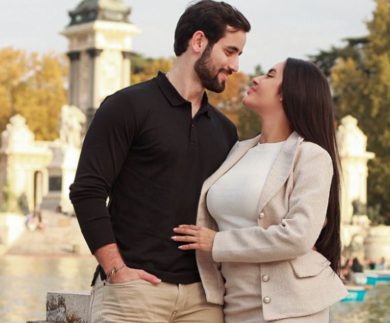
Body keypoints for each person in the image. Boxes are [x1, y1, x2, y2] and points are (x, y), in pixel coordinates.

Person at [69, 1, 250, 322]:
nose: (235, 65)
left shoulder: (225, 130)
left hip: (204, 301)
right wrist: (116, 270)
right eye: (230, 51)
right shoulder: (125, 106)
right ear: (198, 42)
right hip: (134, 295)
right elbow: (87, 191)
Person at [173, 58, 348, 322]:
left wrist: (217, 243)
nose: (256, 79)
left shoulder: (311, 156)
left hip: (293, 309)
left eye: (269, 75)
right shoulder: (237, 151)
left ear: (288, 94)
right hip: (235, 305)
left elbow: (298, 236)